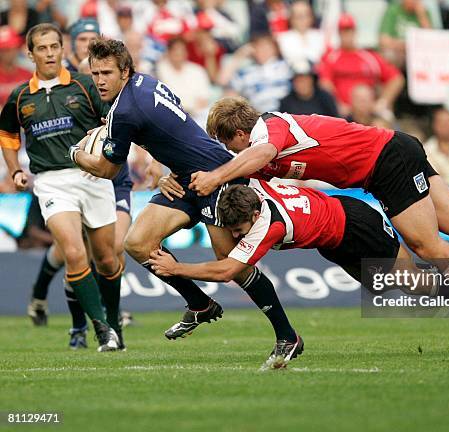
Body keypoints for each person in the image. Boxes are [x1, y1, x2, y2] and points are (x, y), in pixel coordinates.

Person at [195, 97, 449, 353]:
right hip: (393, 151)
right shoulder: (257, 151)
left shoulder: (268, 131)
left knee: (427, 246)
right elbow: (241, 171)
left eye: (227, 143)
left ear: (240, 133)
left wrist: (214, 178)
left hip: (386, 162)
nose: (227, 152)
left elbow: (256, 154)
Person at [71, 37, 302, 366]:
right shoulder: (145, 83)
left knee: (232, 264)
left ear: (125, 71)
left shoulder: (122, 110)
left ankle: (287, 335)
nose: (100, 80)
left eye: (106, 72)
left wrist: (75, 154)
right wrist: (161, 165)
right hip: (183, 179)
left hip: (216, 176)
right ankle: (199, 303)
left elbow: (108, 169)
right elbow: (167, 124)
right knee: (137, 243)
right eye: (95, 73)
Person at [150, 180, 449, 359]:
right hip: (335, 237)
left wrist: (176, 267)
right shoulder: (253, 189)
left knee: (413, 284)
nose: (234, 234)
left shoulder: (269, 224)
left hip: (357, 228)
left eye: (238, 229)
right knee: (391, 285)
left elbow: (228, 270)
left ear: (253, 215)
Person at [0, 24, 122, 352]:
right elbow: (8, 135)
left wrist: (111, 154)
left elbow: (113, 121)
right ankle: (100, 330)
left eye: (55, 46)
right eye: (42, 48)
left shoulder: (85, 85)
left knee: (107, 259)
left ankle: (113, 321)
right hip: (52, 181)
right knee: (72, 251)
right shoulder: (20, 95)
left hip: (93, 176)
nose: (50, 53)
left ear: (63, 48)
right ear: (31, 54)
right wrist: (15, 171)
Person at [318, 14, 404, 118]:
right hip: (344, 115)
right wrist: (337, 104)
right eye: (344, 32)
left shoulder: (369, 57)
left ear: (355, 32)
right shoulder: (331, 57)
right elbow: (325, 83)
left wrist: (382, 102)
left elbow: (397, 79)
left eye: (349, 31)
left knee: (386, 121)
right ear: (339, 34)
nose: (347, 35)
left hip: (370, 113)